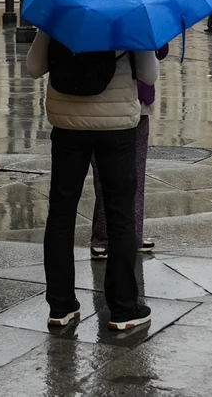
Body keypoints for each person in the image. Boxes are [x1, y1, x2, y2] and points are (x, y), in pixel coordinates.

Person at [28, 32, 159, 331]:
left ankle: (60, 306)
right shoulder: (128, 14)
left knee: (61, 213)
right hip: (117, 126)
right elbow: (149, 75)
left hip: (67, 124)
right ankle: (124, 309)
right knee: (121, 214)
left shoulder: (59, 11)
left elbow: (34, 67)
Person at [88, 44, 169, 260]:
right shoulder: (139, 16)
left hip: (113, 102)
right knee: (130, 171)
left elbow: (161, 50)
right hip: (124, 100)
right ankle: (111, 236)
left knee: (114, 173)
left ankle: (119, 235)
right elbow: (152, 67)